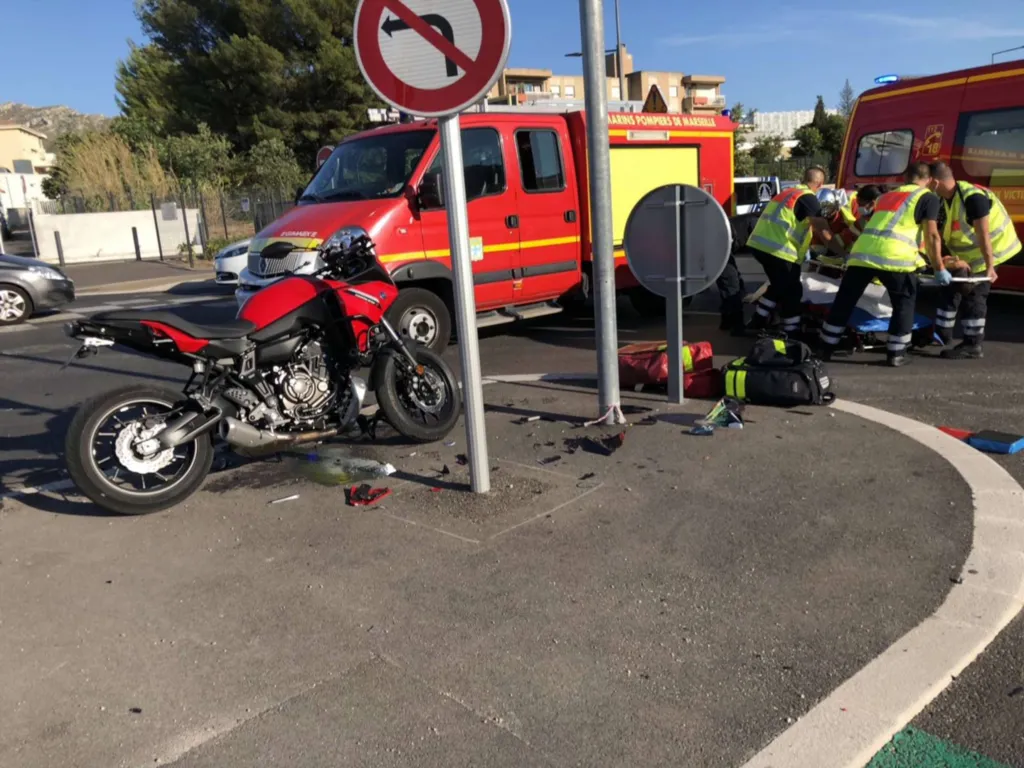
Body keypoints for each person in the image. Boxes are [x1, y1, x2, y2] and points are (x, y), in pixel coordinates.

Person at [818, 162, 945, 367]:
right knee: (903, 303)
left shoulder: (887, 196)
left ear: (904, 178)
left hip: (862, 254)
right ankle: (896, 353)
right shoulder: (927, 197)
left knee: (845, 301)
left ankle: (826, 346)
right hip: (894, 258)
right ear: (929, 180)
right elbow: (932, 235)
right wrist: (939, 268)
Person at [928, 161, 1022, 359]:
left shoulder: (973, 198)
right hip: (967, 255)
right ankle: (941, 335)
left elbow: (983, 235)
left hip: (990, 250)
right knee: (950, 288)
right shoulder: (947, 199)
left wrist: (990, 267)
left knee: (975, 296)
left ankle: (973, 345)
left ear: (935, 183)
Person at [745, 167, 846, 335]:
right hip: (779, 250)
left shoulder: (788, 193)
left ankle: (758, 320)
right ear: (820, 184)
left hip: (760, 246)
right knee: (793, 290)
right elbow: (824, 232)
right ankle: (791, 329)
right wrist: (843, 254)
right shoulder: (808, 198)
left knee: (779, 285)